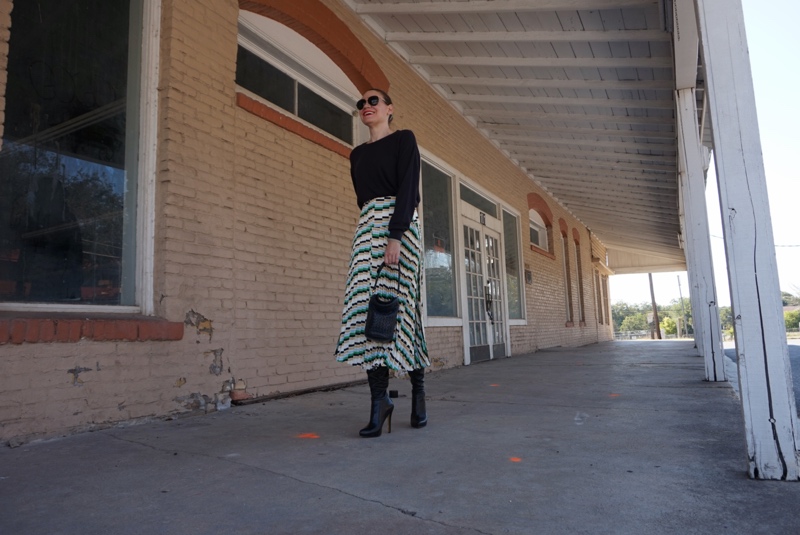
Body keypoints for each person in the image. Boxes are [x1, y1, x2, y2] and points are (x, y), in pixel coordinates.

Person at [335, 89, 430, 438]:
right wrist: (374, 231)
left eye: (373, 101)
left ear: (389, 108)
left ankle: (418, 393)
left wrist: (395, 235)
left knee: (401, 311)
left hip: (400, 226)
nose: (366, 107)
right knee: (366, 312)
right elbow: (363, 199)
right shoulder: (356, 154)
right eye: (361, 104)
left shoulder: (404, 140)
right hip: (366, 229)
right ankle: (379, 402)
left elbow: (407, 190)